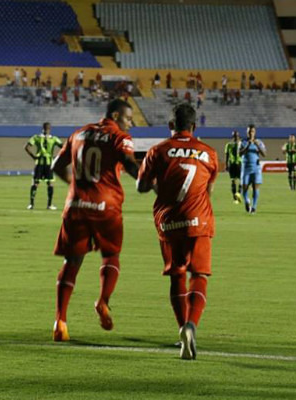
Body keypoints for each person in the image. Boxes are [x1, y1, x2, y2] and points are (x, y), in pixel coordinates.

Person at [50, 99, 139, 342]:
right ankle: (103, 301)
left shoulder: (78, 133)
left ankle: (60, 321)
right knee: (110, 255)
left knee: (72, 262)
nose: (131, 124)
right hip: (106, 207)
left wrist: (73, 184)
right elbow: (130, 165)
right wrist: (148, 182)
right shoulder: (119, 137)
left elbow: (56, 165)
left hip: (76, 205)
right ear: (116, 115)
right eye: (128, 118)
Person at [137, 103, 218, 360]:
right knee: (199, 275)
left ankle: (182, 327)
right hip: (199, 220)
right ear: (194, 127)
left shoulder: (157, 151)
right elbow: (208, 189)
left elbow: (141, 186)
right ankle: (191, 325)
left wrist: (158, 186)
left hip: (168, 221)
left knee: (176, 276)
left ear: (170, 125)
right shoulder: (209, 153)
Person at [24, 123, 63, 210]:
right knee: (49, 184)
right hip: (49, 164)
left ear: (42, 128)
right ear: (50, 129)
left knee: (36, 183)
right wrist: (57, 157)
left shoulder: (36, 137)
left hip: (39, 163)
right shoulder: (54, 139)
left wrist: (33, 156)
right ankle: (49, 205)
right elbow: (64, 147)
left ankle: (31, 204)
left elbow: (26, 147)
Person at [239, 124, 266, 214]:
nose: (251, 133)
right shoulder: (243, 142)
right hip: (246, 168)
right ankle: (247, 201)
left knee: (255, 187)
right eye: (249, 131)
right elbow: (239, 153)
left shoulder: (259, 142)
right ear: (247, 133)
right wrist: (247, 146)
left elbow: (264, 154)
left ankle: (254, 207)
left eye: (252, 131)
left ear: (255, 132)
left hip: (256, 168)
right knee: (245, 188)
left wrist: (257, 145)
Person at [224, 130, 243, 203]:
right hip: (238, 164)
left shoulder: (228, 144)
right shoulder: (239, 144)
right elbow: (227, 155)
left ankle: (235, 198)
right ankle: (238, 194)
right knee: (240, 180)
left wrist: (226, 164)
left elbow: (227, 155)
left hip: (232, 164)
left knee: (233, 181)